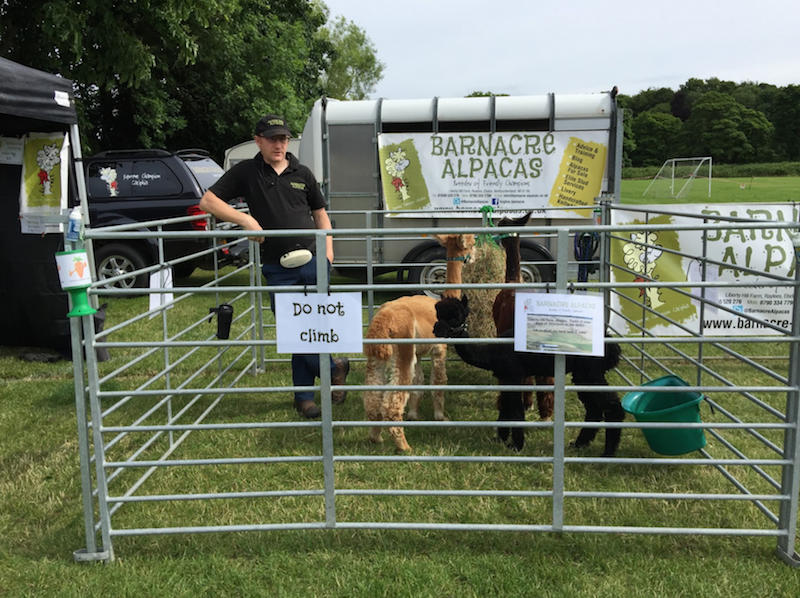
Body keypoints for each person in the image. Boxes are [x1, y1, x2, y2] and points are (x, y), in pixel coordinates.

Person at [199, 114, 349, 419]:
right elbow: (208, 202)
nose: (279, 144)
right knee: (294, 331)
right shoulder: (246, 172)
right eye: (272, 139)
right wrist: (246, 220)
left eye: (283, 139)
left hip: (313, 261)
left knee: (313, 330)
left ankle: (304, 398)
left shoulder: (303, 173)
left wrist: (329, 257)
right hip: (277, 267)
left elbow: (321, 216)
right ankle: (334, 368)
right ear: (258, 141)